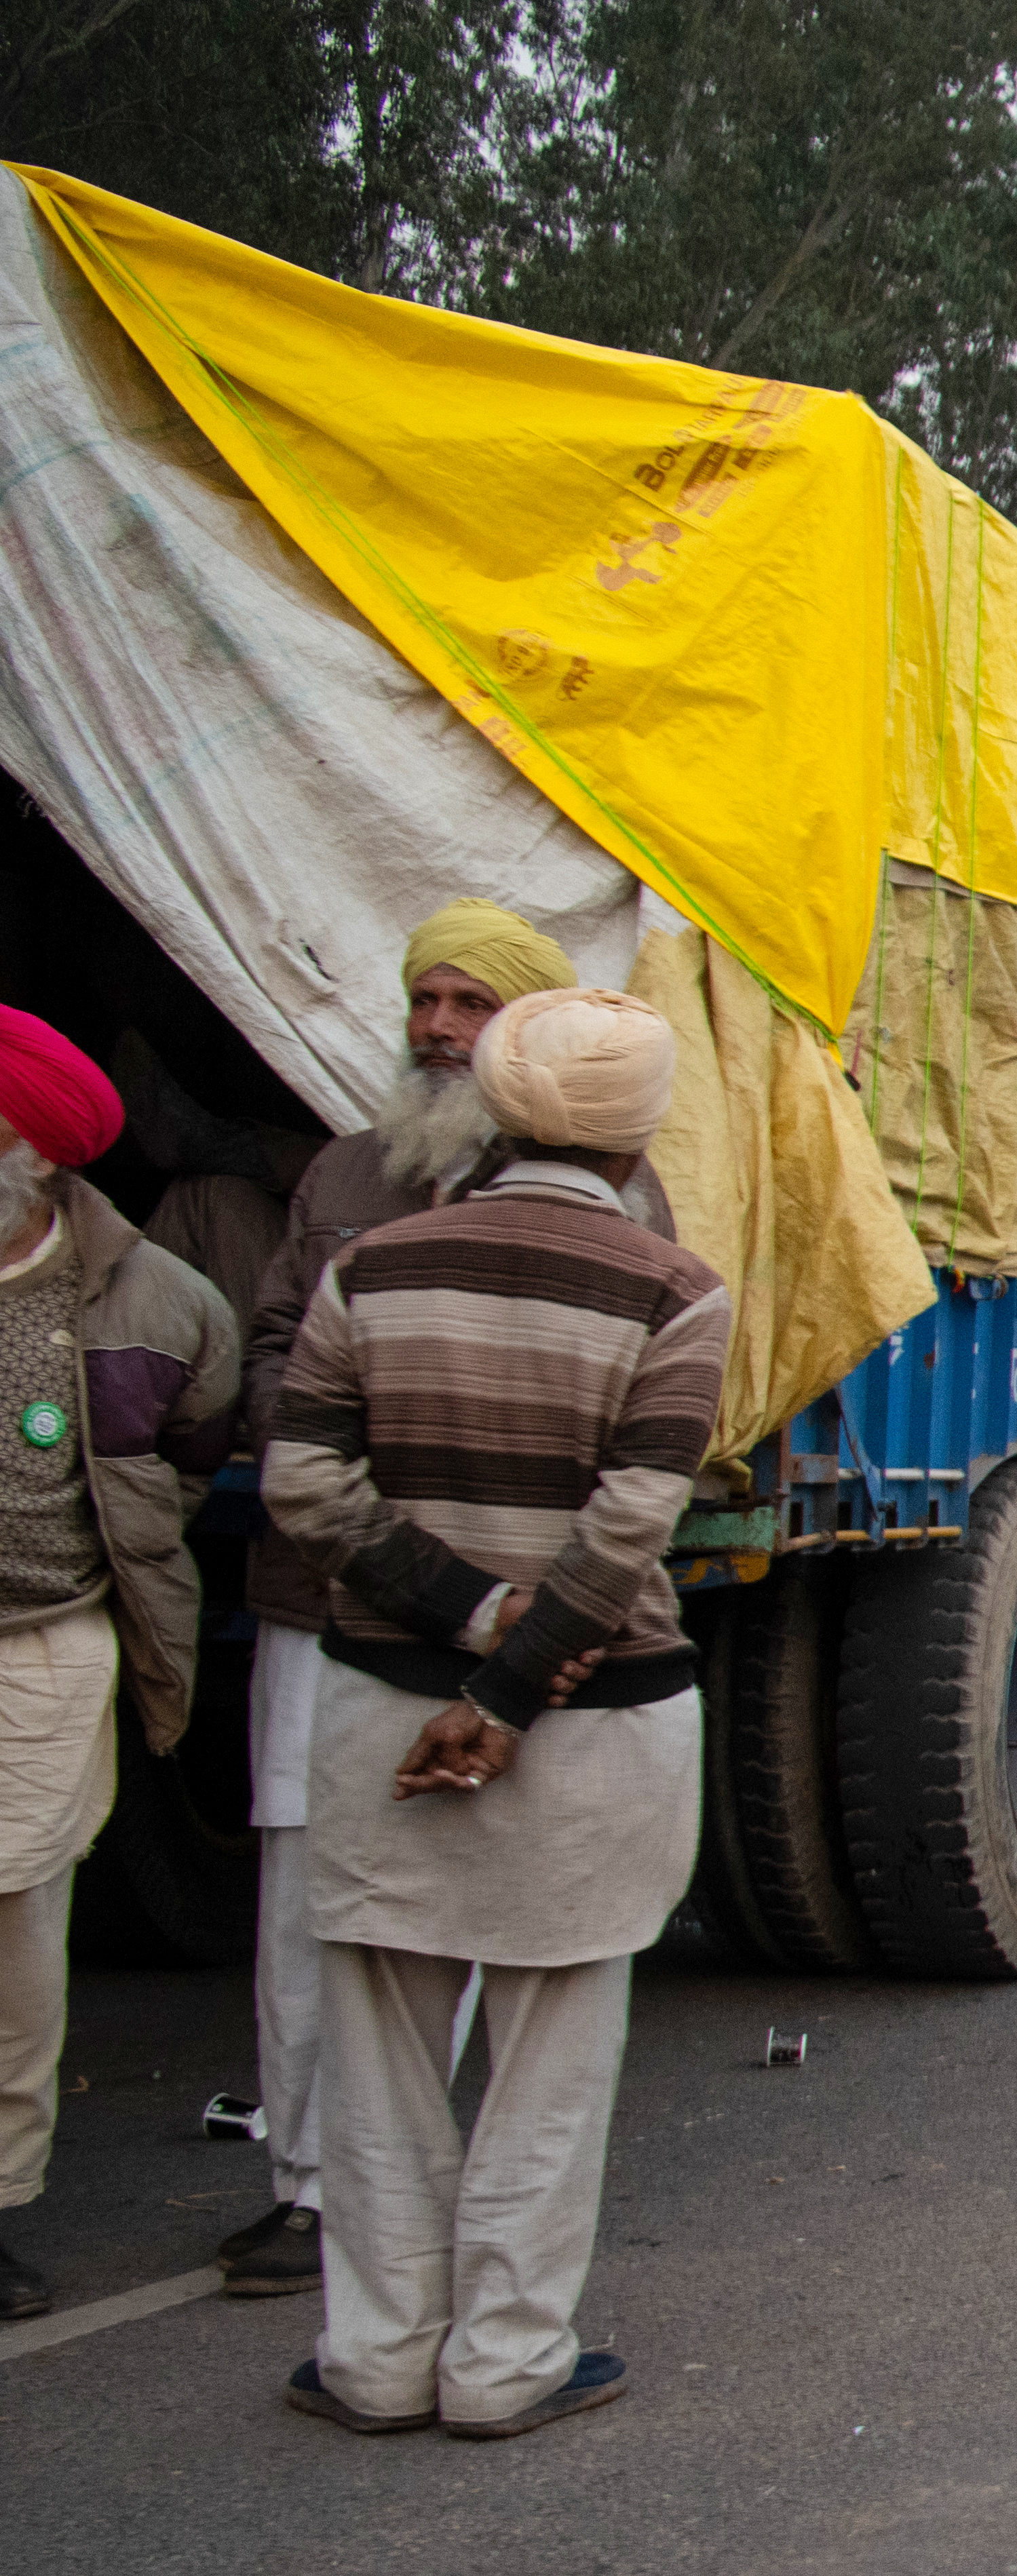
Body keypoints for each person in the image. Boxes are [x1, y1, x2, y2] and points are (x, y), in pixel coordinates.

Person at [264, 988, 727, 2436]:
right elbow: (630, 1527)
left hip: (380, 1703)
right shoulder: (675, 1290)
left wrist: (469, 1619)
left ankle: (375, 2357)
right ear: (638, 1135)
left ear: (497, 1111)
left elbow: (304, 1486)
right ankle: (506, 2362)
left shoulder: (370, 1269)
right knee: (551, 2060)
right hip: (596, 1727)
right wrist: (512, 1690)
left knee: (379, 2050)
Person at [216, 898, 602, 2303]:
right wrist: (332, 1459)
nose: (439, 1026)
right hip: (325, 1589)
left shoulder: (596, 1180)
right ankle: (310, 2187)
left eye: (469, 1004)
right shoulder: (344, 1169)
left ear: (524, 1027)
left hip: (494, 1603)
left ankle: (413, 2198)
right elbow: (273, 1345)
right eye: (425, 1000)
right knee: (308, 1894)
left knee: (461, 1890)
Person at [0, 1013, 244, 2322]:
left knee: (16, 1940)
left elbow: (195, 1442)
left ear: (34, 1152)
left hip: (42, 1649)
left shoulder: (160, 1297)